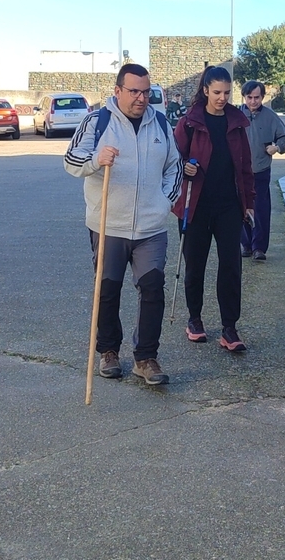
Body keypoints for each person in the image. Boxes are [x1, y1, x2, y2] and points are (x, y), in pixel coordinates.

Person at [65, 64, 182, 385]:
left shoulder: (161, 124)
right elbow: (71, 160)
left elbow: (175, 166)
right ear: (117, 91)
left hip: (151, 227)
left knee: (153, 289)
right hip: (108, 225)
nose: (141, 98)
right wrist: (95, 160)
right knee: (107, 290)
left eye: (146, 92)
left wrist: (165, 202)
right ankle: (108, 351)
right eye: (134, 91)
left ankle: (146, 358)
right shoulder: (97, 122)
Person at [173, 66, 256, 352]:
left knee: (231, 266)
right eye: (217, 92)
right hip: (195, 205)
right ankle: (194, 320)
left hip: (228, 206)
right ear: (206, 90)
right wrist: (184, 167)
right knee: (195, 265)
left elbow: (245, 167)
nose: (222, 98)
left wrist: (249, 203)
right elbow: (172, 159)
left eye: (227, 92)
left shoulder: (236, 123)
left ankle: (229, 328)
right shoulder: (189, 122)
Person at [239, 80, 285, 261]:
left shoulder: (270, 117)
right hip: (239, 172)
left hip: (260, 170)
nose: (253, 101)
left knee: (260, 209)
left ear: (262, 97)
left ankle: (259, 248)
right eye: (249, 97)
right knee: (241, 208)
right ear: (244, 97)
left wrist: (277, 147)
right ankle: (246, 244)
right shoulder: (236, 116)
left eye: (257, 97)